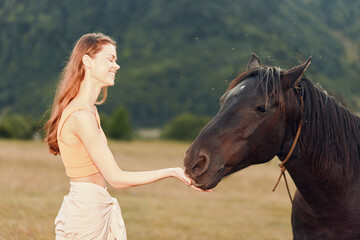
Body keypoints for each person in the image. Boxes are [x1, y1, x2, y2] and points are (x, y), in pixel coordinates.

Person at [45, 32, 204, 240]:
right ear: (87, 61)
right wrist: (172, 172)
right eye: (110, 59)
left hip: (93, 209)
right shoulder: (81, 116)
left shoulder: (90, 111)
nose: (116, 65)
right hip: (86, 215)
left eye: (116, 60)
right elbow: (116, 178)